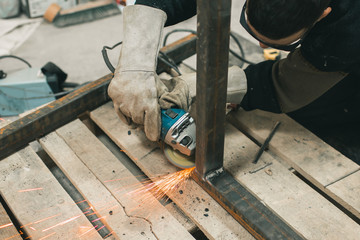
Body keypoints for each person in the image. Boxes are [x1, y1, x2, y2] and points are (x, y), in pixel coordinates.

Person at [108, 0, 360, 164]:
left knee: (326, 113)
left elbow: (285, 86)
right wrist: (134, 66)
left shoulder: (348, 32)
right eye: (250, 29)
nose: (260, 46)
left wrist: (210, 88)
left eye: (275, 43)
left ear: (323, 14)